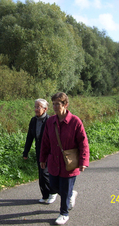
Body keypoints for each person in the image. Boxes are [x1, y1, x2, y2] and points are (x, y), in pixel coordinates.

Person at [40, 92, 89, 225]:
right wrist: (42, 158)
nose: (55, 107)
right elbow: (45, 141)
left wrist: (83, 161)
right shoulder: (50, 121)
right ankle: (70, 194)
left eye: (58, 104)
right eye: (54, 104)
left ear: (65, 105)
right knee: (54, 187)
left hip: (69, 163)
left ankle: (64, 213)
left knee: (65, 189)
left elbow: (83, 143)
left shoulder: (75, 121)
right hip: (54, 162)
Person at [23, 99, 57, 204]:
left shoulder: (50, 120)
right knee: (41, 173)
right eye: (35, 107)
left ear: (45, 109)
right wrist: (26, 152)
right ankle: (45, 195)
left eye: (38, 107)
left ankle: (53, 192)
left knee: (46, 172)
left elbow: (54, 137)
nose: (36, 109)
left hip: (49, 150)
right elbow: (30, 137)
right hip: (39, 149)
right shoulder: (33, 120)